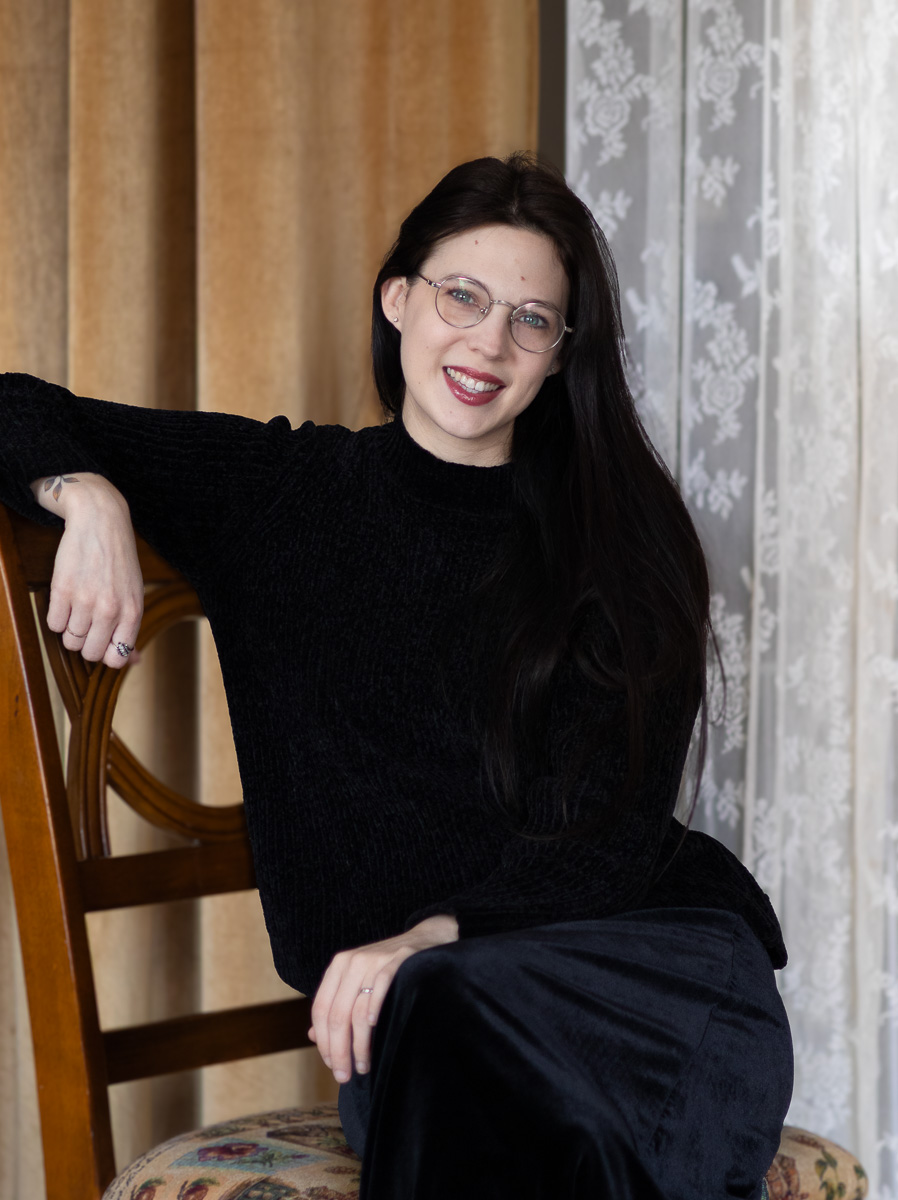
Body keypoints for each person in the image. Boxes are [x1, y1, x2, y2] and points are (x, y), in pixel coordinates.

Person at [0, 153, 791, 1198]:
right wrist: (88, 496)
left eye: (530, 318)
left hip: (643, 991)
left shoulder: (619, 543)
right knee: (445, 1034)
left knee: (451, 1022)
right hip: (422, 1030)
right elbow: (11, 403)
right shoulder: (283, 496)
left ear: (558, 357)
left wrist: (426, 937)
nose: (487, 340)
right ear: (398, 298)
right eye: (462, 295)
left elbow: (605, 844)